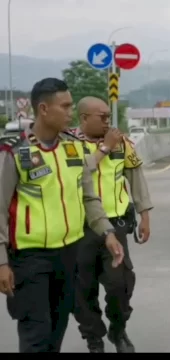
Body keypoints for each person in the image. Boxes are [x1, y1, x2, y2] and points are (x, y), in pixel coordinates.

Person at [0, 78, 124, 353]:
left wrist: (108, 233)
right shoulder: (14, 151)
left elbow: (89, 197)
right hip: (29, 258)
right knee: (36, 333)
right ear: (43, 109)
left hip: (69, 254)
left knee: (56, 330)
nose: (71, 113)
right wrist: (2, 262)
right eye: (65, 106)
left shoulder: (73, 147)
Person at [71, 97, 153, 353]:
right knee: (83, 291)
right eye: (102, 116)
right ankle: (94, 340)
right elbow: (77, 175)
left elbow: (135, 177)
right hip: (80, 229)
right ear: (84, 118)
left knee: (121, 284)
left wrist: (145, 215)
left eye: (109, 116)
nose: (108, 121)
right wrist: (103, 148)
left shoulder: (122, 143)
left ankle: (118, 330)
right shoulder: (69, 145)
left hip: (116, 226)